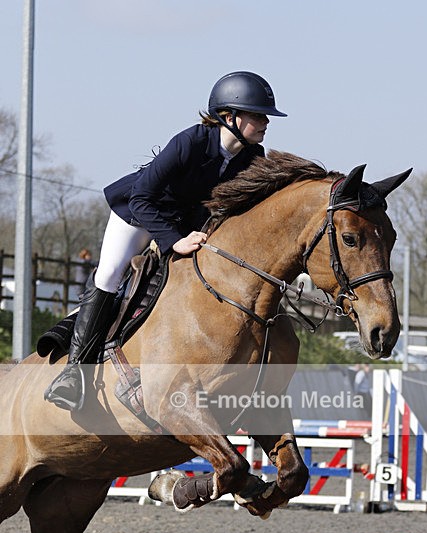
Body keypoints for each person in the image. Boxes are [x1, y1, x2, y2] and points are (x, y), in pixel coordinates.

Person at [45, 71, 287, 411]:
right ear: (229, 116)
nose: (265, 122)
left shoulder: (253, 157)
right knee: (110, 274)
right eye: (257, 115)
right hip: (140, 213)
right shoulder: (190, 142)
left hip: (187, 224)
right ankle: (74, 373)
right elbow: (142, 197)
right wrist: (173, 242)